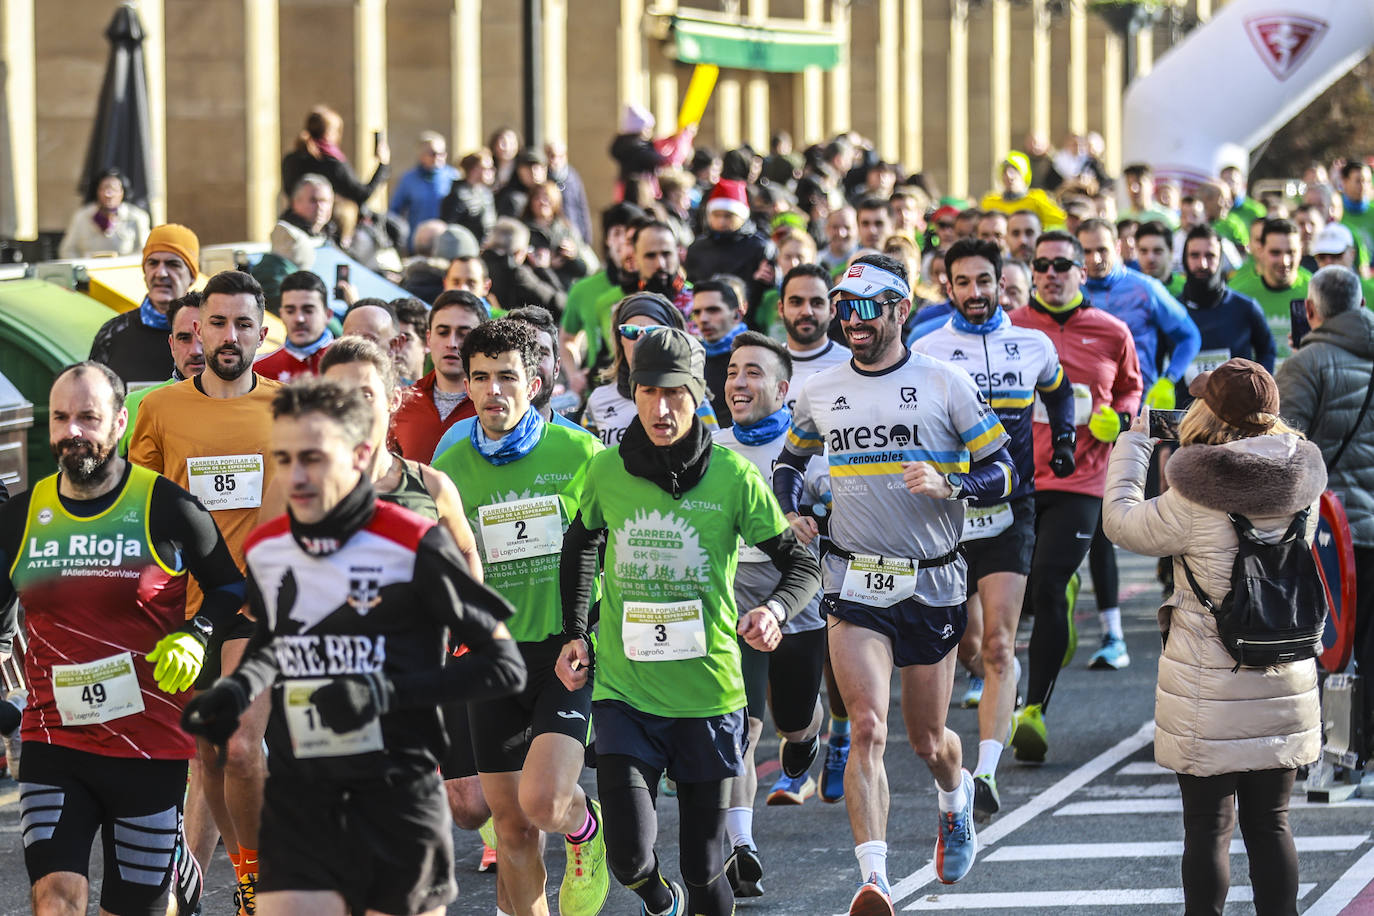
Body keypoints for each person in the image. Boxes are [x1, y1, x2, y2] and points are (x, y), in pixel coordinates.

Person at [181, 378, 526, 916]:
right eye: (286, 457)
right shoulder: (275, 548)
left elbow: (504, 667)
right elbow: (274, 641)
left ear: (358, 454)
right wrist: (237, 690)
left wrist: (380, 694)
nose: (297, 476)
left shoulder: (412, 541)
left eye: (313, 457)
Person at [775, 253, 1016, 912]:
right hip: (853, 579)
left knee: (927, 741)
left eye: (864, 308)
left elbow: (1004, 470)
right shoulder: (820, 389)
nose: (849, 320)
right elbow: (789, 465)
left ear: (899, 309)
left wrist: (952, 484)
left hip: (931, 583)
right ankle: (873, 877)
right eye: (841, 307)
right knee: (869, 726)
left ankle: (953, 794)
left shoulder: (944, 383)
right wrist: (792, 508)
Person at [556, 327, 820, 916]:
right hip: (626, 692)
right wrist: (577, 630)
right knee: (627, 857)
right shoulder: (606, 471)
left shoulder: (733, 477)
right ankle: (657, 896)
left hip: (707, 695)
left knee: (704, 868)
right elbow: (580, 547)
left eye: (674, 392)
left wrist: (774, 611)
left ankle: (690, 894)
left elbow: (800, 564)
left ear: (697, 394)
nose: (660, 407)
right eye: (647, 391)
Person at [1, 361, 247, 916]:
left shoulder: (168, 506)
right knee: (56, 898)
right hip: (53, 738)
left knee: (134, 906)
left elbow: (230, 586)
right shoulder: (22, 517)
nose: (73, 432)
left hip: (149, 745)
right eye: (61, 418)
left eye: (88, 417)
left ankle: (176, 866)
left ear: (118, 425)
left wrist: (198, 634)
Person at [1103, 358, 1323, 916]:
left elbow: (1122, 523)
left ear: (1209, 413)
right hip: (1285, 675)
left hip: (1208, 682)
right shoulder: (1304, 481)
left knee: (1207, 828)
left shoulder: (1197, 494)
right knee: (1272, 824)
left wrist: (1134, 445)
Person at [429, 320, 607, 916]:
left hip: (564, 648)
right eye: (480, 378)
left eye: (507, 377)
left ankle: (585, 832)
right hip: (489, 652)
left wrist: (594, 629)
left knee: (544, 802)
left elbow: (609, 548)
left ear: (534, 382)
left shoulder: (579, 451)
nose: (493, 391)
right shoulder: (450, 455)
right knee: (509, 827)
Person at [127, 269, 283, 912]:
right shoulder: (160, 409)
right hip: (184, 610)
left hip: (258, 604)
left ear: (261, 332)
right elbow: (136, 508)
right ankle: (225, 871)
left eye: (243, 323)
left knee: (244, 746)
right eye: (217, 322)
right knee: (210, 756)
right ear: (196, 328)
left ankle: (253, 880)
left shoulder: (285, 406)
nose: (228, 335)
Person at [912, 239, 1076, 822]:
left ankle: (985, 771)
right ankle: (958, 751)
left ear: (1003, 283)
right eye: (964, 282)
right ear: (947, 286)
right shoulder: (926, 348)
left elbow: (1058, 393)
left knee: (1002, 644)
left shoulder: (1031, 344)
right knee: (969, 645)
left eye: (986, 281)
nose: (977, 293)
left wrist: (1062, 442)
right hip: (948, 511)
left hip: (1012, 507)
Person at [1007, 232, 1142, 762]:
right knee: (1028, 595)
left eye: (1063, 264)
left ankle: (1033, 710)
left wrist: (1122, 417)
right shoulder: (1012, 328)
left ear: (1082, 272)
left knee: (1049, 579)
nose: (1051, 273)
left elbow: (1133, 388)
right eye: (1041, 265)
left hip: (1083, 479)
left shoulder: (1111, 331)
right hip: (1017, 478)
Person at [714, 332, 828, 899]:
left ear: (784, 389)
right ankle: (741, 846)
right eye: (733, 371)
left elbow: (840, 513)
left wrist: (815, 515)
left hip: (797, 594)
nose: (739, 382)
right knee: (743, 724)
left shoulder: (811, 449)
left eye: (754, 372)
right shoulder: (708, 446)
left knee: (790, 719)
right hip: (732, 597)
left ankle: (810, 728)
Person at [1076, 217, 1200, 669]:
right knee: (1098, 520)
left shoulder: (1144, 289)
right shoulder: (1071, 290)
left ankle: (1179, 594)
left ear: (1120, 246)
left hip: (1141, 419)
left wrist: (1168, 380)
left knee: (1158, 507)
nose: (1095, 259)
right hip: (1089, 423)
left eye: (1102, 249)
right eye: (1086, 251)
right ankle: (1113, 633)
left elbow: (1189, 335)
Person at [1276, 265, 1374, 760]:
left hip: (1333, 529)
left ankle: (1333, 744)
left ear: (1311, 310)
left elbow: (1284, 451)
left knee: (1326, 641)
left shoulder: (1305, 365)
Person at [583, 293, 718, 446]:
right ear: (619, 339)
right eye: (630, 331)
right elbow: (587, 458)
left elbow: (713, 454)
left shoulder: (691, 397)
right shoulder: (598, 399)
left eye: (652, 331)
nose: (641, 340)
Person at [90, 224, 200, 387]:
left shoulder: (212, 332)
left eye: (173, 264)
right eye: (153, 263)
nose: (161, 273)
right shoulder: (113, 333)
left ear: (191, 275)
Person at [1176, 225, 1276, 398]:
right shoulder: (1172, 311)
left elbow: (1267, 350)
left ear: (1221, 259)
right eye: (1194, 255)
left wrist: (1256, 389)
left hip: (1237, 412)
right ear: (1184, 259)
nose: (1202, 264)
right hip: (1183, 416)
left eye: (1210, 255)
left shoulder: (1246, 307)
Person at [558, 203, 646, 396]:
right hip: (598, 394)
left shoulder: (655, 286)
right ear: (607, 239)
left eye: (632, 235)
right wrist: (574, 375)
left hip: (647, 391)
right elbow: (566, 338)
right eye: (617, 233)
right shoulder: (584, 289)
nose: (624, 242)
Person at [390, 290, 487, 460]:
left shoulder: (496, 404)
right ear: (429, 339)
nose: (452, 343)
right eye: (443, 332)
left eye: (463, 334)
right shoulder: (401, 403)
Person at [119, 291, 205, 456]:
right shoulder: (135, 404)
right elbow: (101, 473)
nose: (195, 350)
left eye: (202, 337)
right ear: (172, 345)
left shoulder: (245, 403)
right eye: (184, 338)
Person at [683, 180, 776, 315]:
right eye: (716, 215)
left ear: (742, 216)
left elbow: (766, 291)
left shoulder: (760, 247)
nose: (721, 221)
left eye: (728, 216)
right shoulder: (697, 248)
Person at [1228, 218, 1312, 359]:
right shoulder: (1239, 294)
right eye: (1275, 253)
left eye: (1291, 252)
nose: (1284, 261)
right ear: (1261, 251)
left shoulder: (1316, 292)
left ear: (1301, 251)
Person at [280, 105, 390, 208]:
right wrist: (382, 165)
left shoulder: (290, 159)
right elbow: (361, 195)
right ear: (329, 133)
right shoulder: (332, 162)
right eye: (337, 131)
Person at [254, 272, 334, 383]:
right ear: (282, 314)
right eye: (290, 311)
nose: (299, 319)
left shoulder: (350, 364)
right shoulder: (259, 372)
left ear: (328, 315)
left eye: (308, 310)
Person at [691, 280, 748, 427]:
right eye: (697, 312)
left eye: (713, 310)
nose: (702, 319)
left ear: (737, 314)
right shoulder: (692, 359)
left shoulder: (759, 356)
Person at [389, 132, 459, 253]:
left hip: (446, 243)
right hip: (418, 243)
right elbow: (394, 211)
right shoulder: (409, 179)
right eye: (433, 153)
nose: (438, 157)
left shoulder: (453, 177)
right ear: (422, 155)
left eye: (442, 153)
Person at [58, 167, 151, 258]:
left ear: (122, 192)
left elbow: (145, 251)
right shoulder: (82, 216)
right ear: (97, 191)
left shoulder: (137, 217)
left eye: (114, 189)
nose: (108, 194)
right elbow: (67, 251)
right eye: (104, 188)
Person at [979, 152, 1065, 229]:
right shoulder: (990, 203)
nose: (1009, 176)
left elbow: (1063, 222)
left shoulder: (1037, 200)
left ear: (1025, 174)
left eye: (1015, 171)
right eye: (1005, 171)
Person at [441, 150, 498, 243]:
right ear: (473, 170)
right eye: (486, 168)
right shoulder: (457, 196)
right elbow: (450, 226)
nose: (492, 171)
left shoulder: (486, 193)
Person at [1135, 220, 1185, 298]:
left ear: (1171, 252)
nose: (1150, 258)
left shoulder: (1185, 289)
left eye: (1157, 251)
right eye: (1143, 251)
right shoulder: (1129, 290)